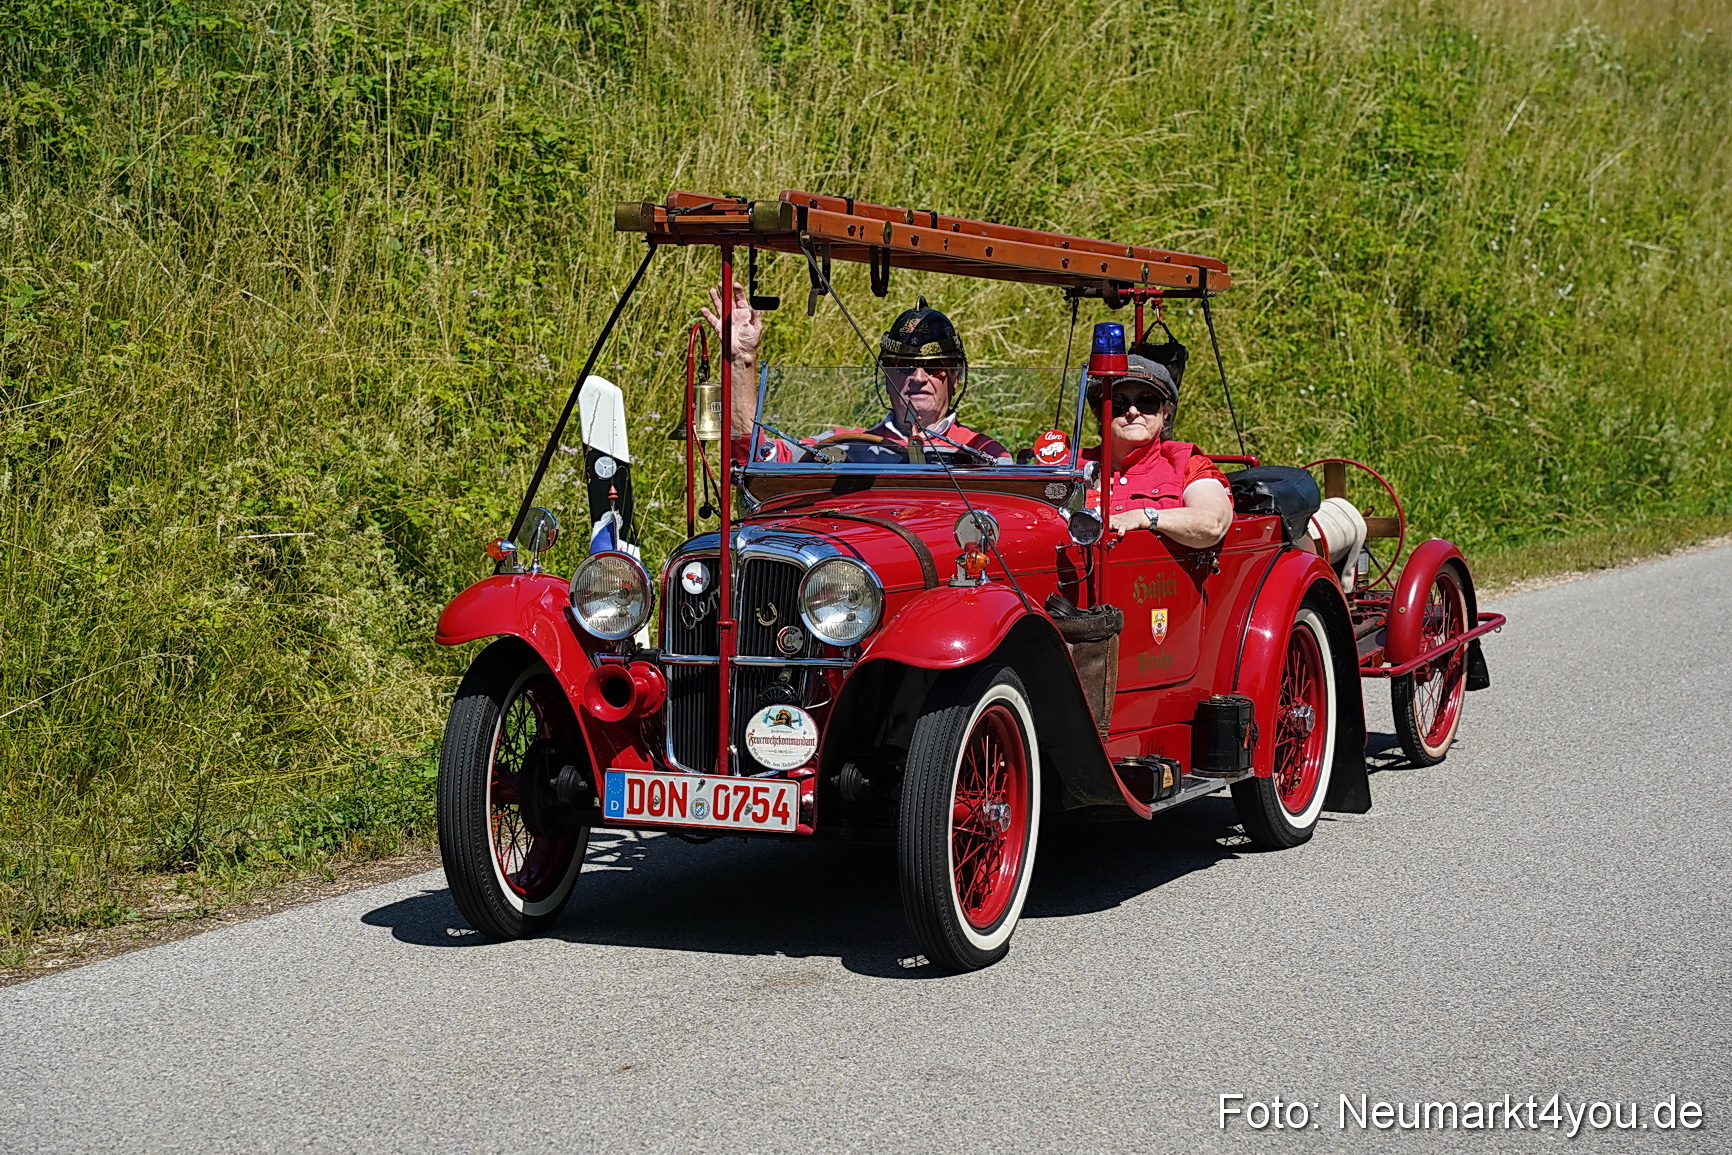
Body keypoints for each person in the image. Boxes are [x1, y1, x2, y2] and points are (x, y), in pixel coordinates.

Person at [703, 284, 1010, 464]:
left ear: (955, 376)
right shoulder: (841, 446)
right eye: (902, 367)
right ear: (886, 376)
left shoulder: (985, 455)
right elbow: (757, 460)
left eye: (934, 367)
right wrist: (742, 360)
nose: (917, 377)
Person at [1082, 354, 1232, 548]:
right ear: (1099, 413)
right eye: (1118, 403)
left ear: (1166, 411)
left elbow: (1212, 524)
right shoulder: (1070, 466)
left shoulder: (1187, 463)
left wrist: (1144, 516)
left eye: (1146, 402)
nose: (1133, 411)